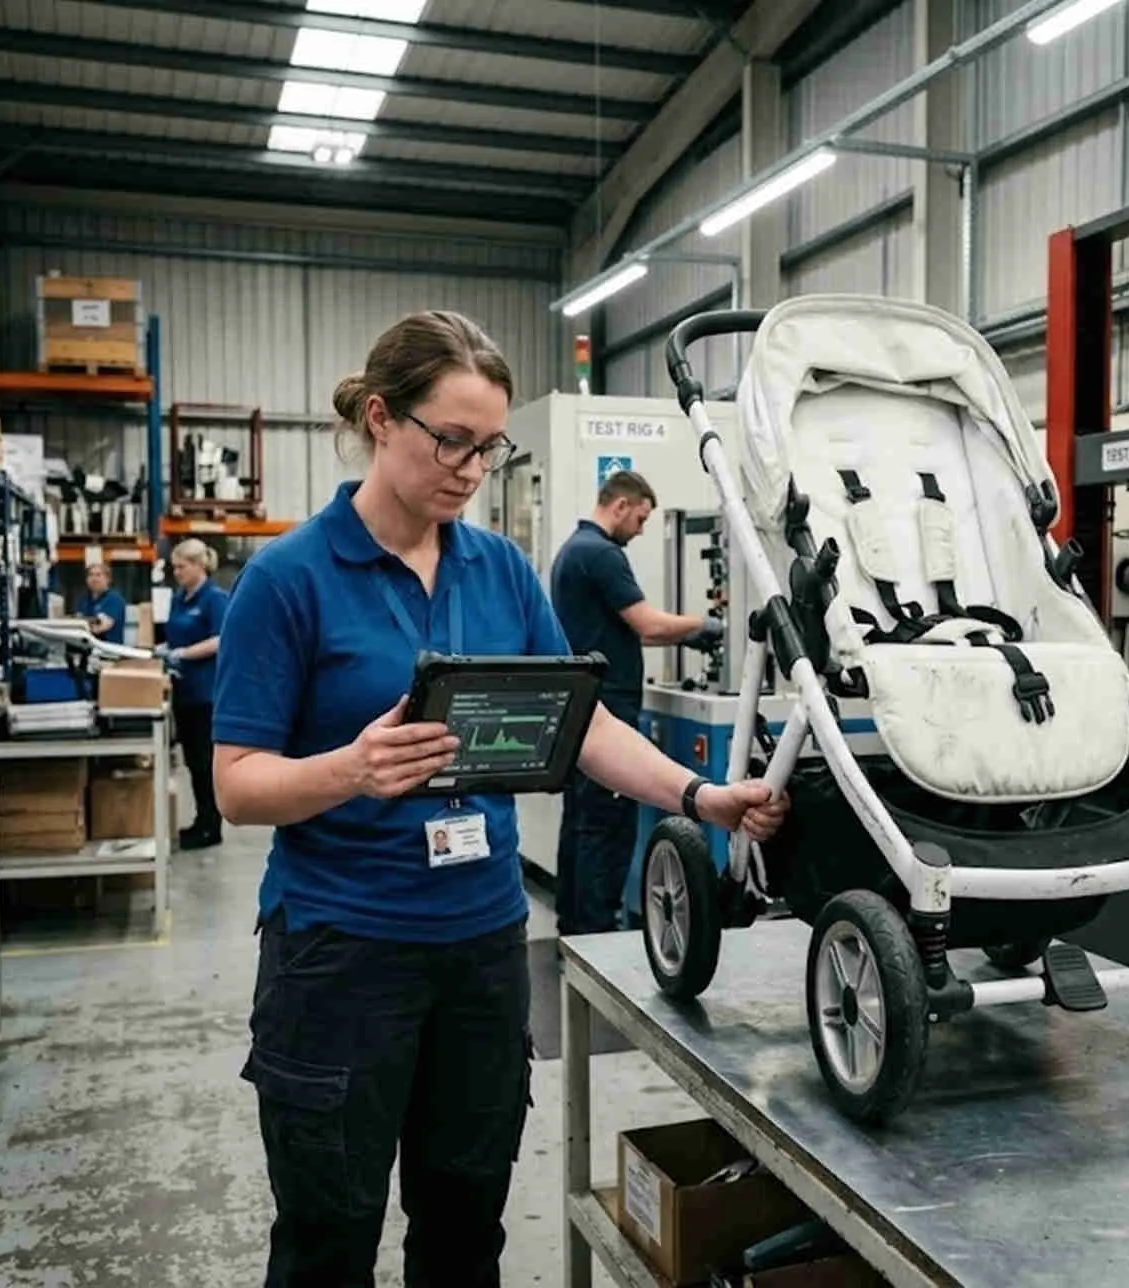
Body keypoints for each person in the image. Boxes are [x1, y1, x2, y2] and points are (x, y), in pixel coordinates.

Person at [209, 310, 787, 1288]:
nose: (473, 470)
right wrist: (350, 767)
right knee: (327, 1242)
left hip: (481, 955)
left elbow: (585, 726)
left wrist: (698, 795)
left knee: (465, 1234)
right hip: (342, 961)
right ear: (383, 419)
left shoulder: (498, 569)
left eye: (490, 447)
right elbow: (235, 783)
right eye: (452, 441)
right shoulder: (289, 579)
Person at [548, 469, 722, 935]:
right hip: (607, 710)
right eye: (641, 518)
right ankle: (597, 935)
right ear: (620, 505)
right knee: (605, 827)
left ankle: (575, 925)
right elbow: (647, 625)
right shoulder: (601, 554)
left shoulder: (573, 551)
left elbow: (620, 630)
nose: (641, 529)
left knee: (582, 824)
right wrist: (704, 626)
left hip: (583, 704)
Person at [161, 538, 229, 851]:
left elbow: (221, 639)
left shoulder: (214, 598)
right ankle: (201, 819)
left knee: (204, 762)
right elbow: (173, 633)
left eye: (181, 567)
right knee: (191, 761)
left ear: (199, 565)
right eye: (173, 567)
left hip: (205, 692)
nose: (176, 572)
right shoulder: (179, 598)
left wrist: (185, 653)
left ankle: (210, 826)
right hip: (183, 690)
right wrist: (167, 651)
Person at [75, 561, 127, 643]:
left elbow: (103, 626)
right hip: (87, 649)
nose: (94, 579)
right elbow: (77, 623)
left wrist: (85, 625)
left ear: (108, 579)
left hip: (108, 651)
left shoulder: (114, 599)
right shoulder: (83, 600)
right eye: (90, 575)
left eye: (98, 575)